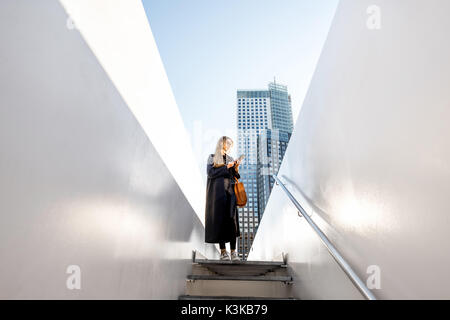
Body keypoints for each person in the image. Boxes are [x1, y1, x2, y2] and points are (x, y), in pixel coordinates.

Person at [205, 136, 242, 261]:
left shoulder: (230, 158)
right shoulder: (212, 157)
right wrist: (226, 167)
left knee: (232, 221)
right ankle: (223, 252)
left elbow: (235, 176)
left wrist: (236, 167)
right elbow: (210, 173)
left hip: (230, 192)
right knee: (220, 221)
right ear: (223, 143)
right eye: (229, 143)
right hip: (217, 193)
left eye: (231, 144)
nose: (230, 146)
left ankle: (233, 252)